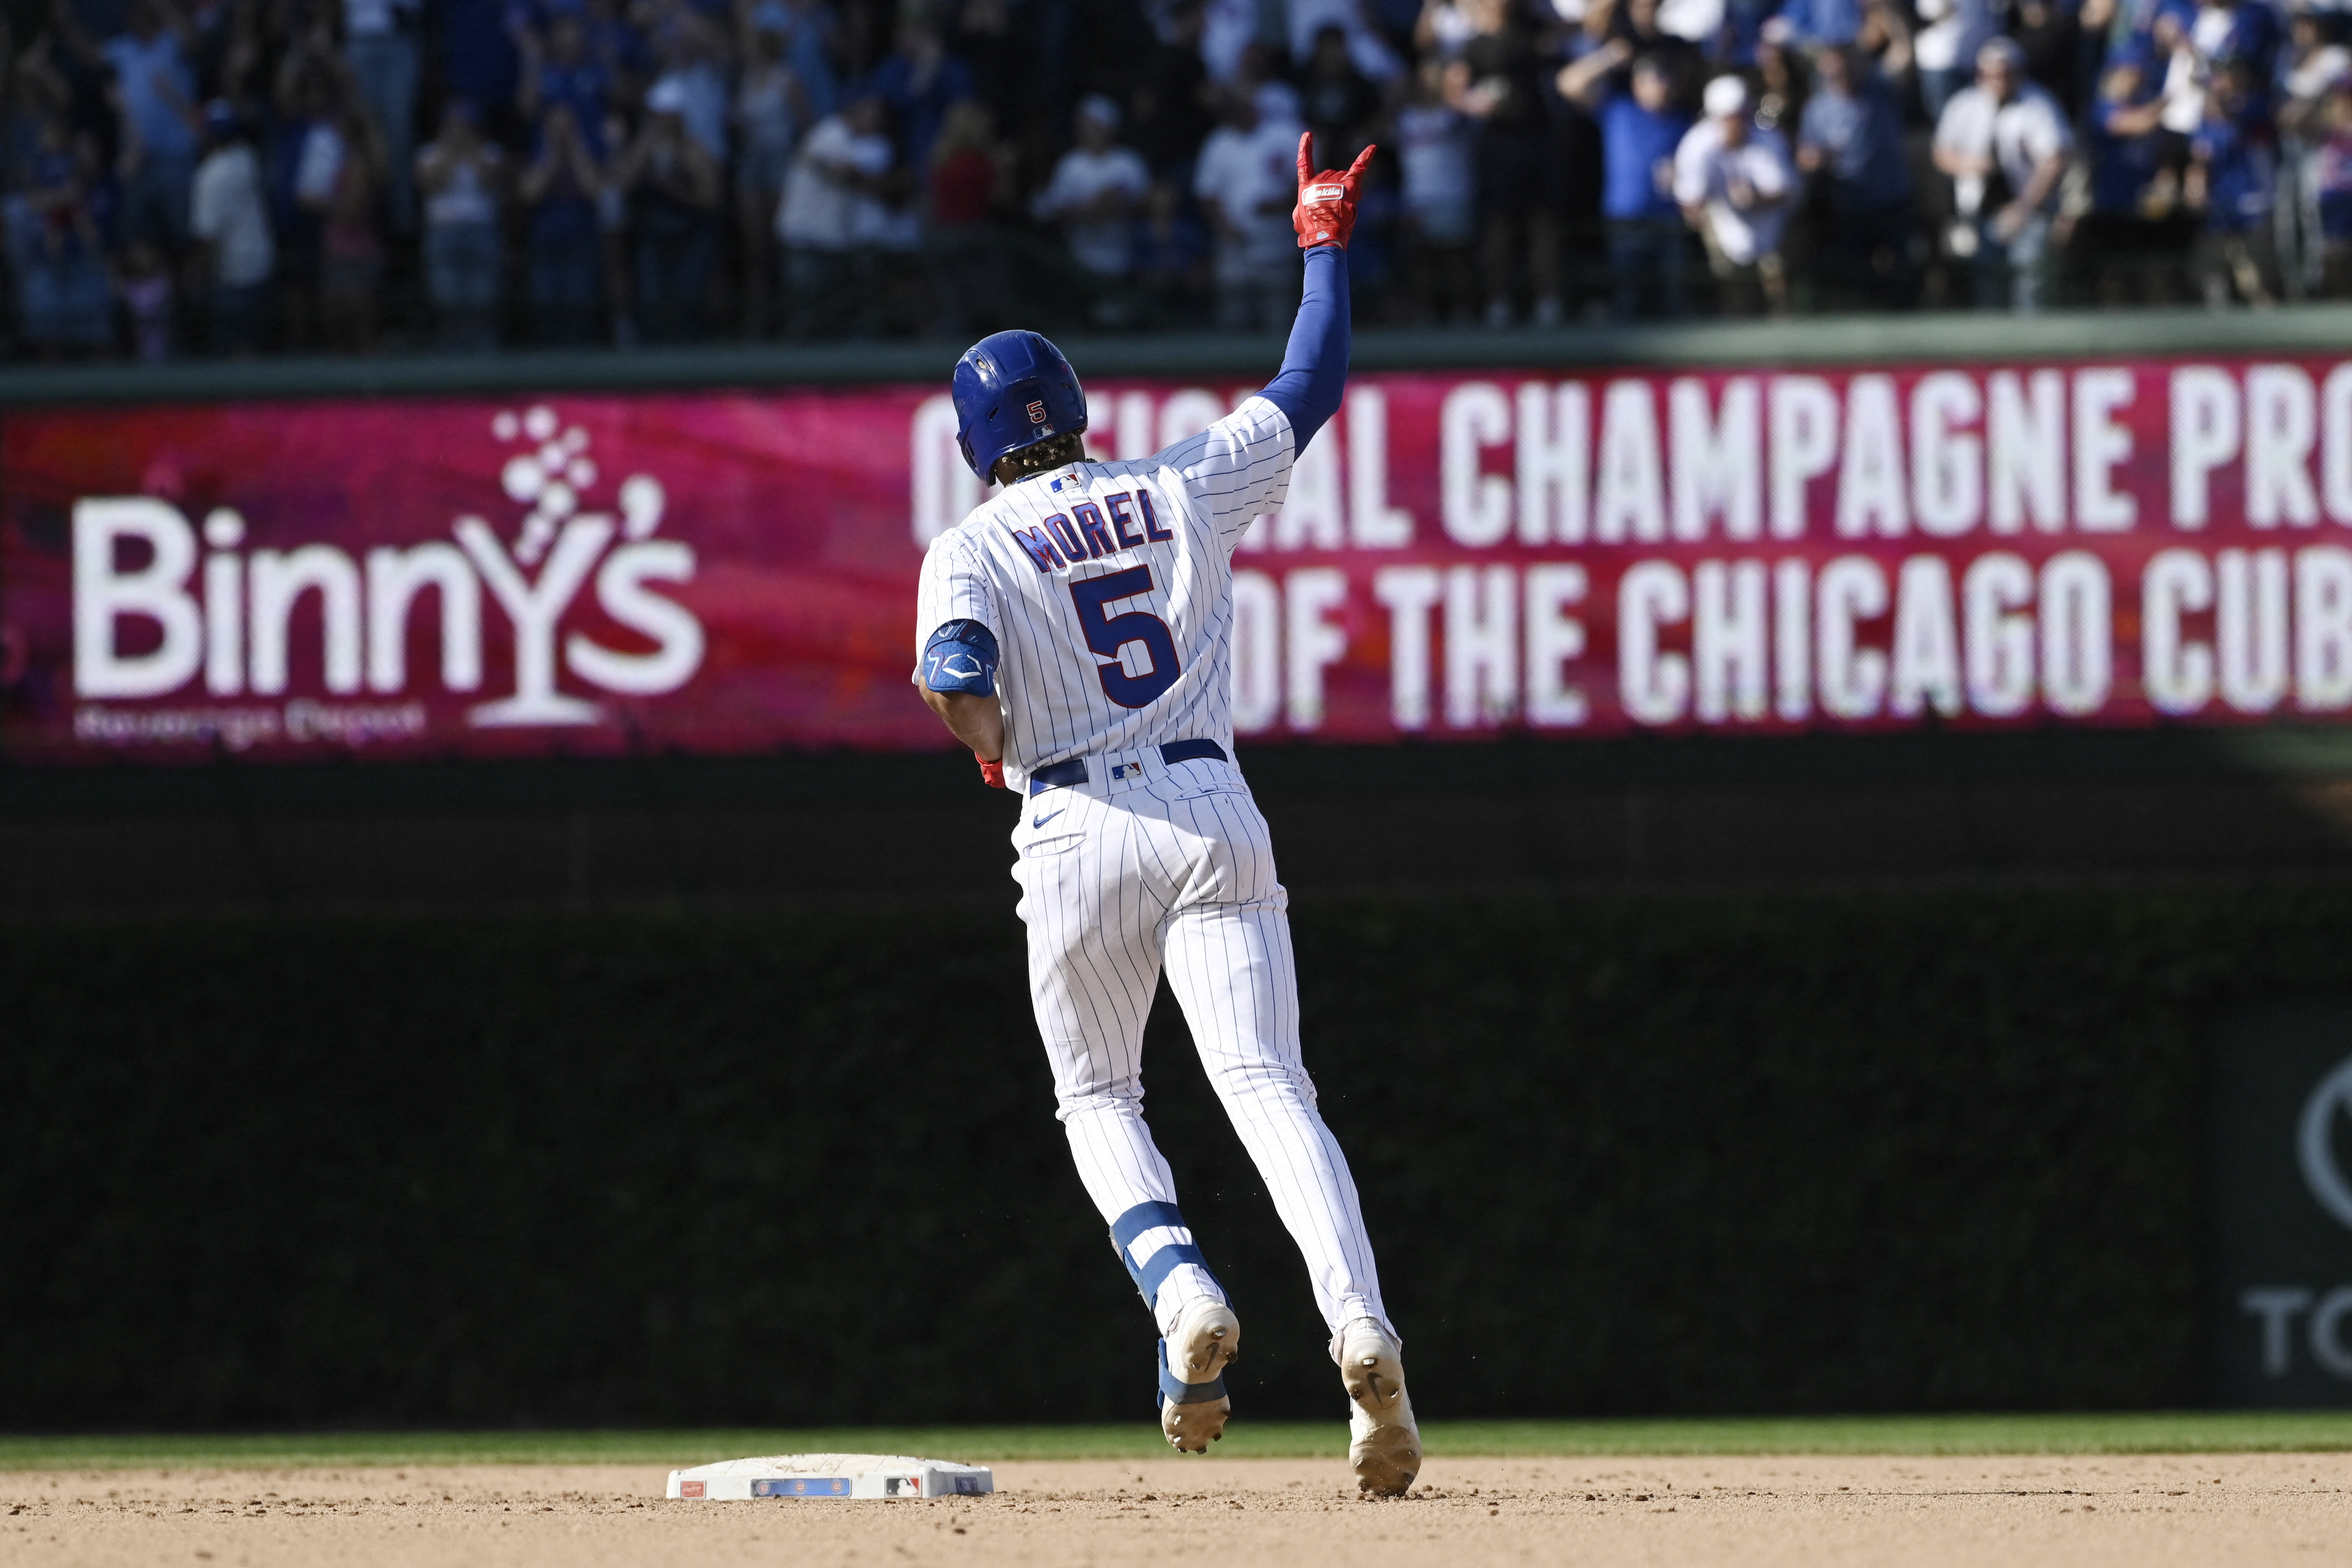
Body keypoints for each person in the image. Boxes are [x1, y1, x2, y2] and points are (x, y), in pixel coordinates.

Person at [911, 135, 1422, 1495]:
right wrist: (1319, 238)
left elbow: (954, 674)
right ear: (1075, 409)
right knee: (1269, 1088)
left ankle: (1179, 1285)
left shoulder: (967, 545)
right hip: (1208, 795)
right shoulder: (1179, 480)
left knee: (1097, 1094)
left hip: (1074, 819)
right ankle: (1362, 1332)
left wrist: (984, 744)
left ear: (976, 449)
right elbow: (1308, 384)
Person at [1932, 36, 2072, 312]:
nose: (1998, 81)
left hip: (2028, 210)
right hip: (1978, 211)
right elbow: (1941, 153)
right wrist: (1972, 164)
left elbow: (2053, 161)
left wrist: (2022, 209)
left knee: (2030, 284)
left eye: (2006, 74)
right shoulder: (1965, 105)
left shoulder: (2038, 105)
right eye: (1991, 75)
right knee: (1987, 286)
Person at [1797, 43, 1918, 308]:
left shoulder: (1880, 90)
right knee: (1859, 278)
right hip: (1850, 204)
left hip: (1892, 198)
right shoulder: (1818, 109)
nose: (1840, 78)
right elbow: (1806, 156)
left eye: (1845, 70)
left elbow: (1904, 52)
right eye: (1833, 73)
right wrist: (1818, 158)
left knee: (1902, 275)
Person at [616, 75, 722, 342]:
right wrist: (644, 150)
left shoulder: (694, 150)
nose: (664, 122)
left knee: (687, 301)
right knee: (651, 302)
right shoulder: (643, 148)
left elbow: (710, 198)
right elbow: (621, 184)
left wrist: (676, 190)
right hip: (652, 232)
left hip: (690, 234)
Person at [1674, 75, 1792, 314]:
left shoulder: (1769, 141)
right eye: (1730, 117)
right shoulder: (1697, 146)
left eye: (1741, 115)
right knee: (1735, 297)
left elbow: (1784, 193)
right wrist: (1699, 210)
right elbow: (1691, 204)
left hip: (1771, 227)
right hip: (1723, 226)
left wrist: (1754, 199)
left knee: (1779, 293)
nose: (1737, 123)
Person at [1193, 86, 1301, 329]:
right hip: (1236, 250)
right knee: (1234, 319)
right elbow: (1207, 195)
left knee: (1281, 321)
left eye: (1248, 107)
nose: (1246, 113)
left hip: (1278, 246)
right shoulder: (1219, 143)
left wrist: (1283, 203)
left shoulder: (1284, 135)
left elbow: (1307, 182)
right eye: (1238, 109)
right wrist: (1225, 228)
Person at [1032, 94, 1150, 311]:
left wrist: (1114, 206)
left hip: (1124, 257)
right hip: (1081, 258)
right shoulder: (1071, 164)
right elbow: (1054, 210)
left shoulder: (1128, 163)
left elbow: (1146, 207)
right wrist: (1090, 209)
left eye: (1094, 125)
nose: (1088, 130)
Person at [416, 99, 506, 348]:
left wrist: (469, 148)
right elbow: (430, 184)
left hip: (481, 233)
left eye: (465, 125)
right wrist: (451, 150)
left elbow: (490, 180)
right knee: (447, 302)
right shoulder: (429, 153)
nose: (460, 130)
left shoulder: (490, 152)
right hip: (443, 232)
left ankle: (485, 361)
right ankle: (451, 362)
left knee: (482, 300)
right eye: (454, 125)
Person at [188, 100, 275, 353]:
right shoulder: (248, 158)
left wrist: (197, 278)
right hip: (262, 264)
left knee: (237, 349)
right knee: (257, 345)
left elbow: (208, 238)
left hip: (234, 275)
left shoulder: (211, 175)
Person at [521, 100, 606, 343]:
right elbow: (529, 195)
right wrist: (553, 156)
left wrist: (575, 148)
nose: (561, 132)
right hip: (546, 244)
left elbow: (594, 190)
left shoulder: (586, 151)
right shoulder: (538, 153)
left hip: (581, 242)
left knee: (580, 310)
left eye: (567, 126)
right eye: (556, 126)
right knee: (547, 311)